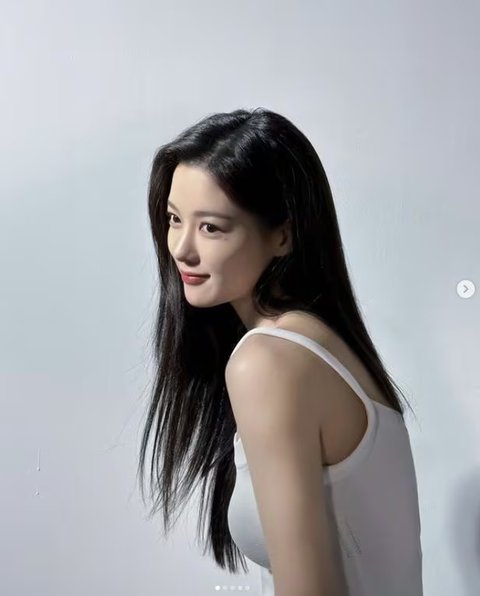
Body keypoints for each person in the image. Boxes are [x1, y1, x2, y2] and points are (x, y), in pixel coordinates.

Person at [137, 107, 423, 595]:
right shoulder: (320, 342)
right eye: (174, 219)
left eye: (211, 227)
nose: (181, 248)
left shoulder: (268, 362)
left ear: (283, 235)